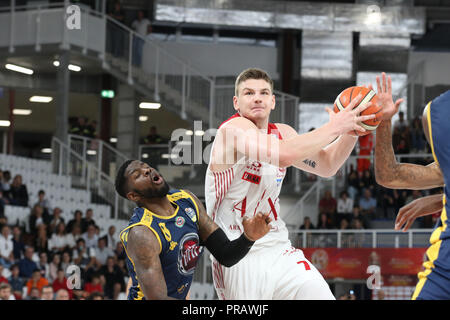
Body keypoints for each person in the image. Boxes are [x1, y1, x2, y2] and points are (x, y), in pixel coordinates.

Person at [204, 68, 375, 299]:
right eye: (248, 93)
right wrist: (335, 126)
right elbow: (283, 155)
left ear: (273, 101)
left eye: (264, 93)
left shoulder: (283, 133)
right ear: (236, 102)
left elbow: (327, 165)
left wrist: (352, 130)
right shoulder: (232, 130)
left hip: (278, 247)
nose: (257, 97)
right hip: (238, 252)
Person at [114, 159, 272, 300]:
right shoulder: (142, 232)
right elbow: (157, 298)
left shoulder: (186, 200)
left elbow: (225, 254)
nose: (147, 170)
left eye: (146, 166)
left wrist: (249, 238)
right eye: (138, 175)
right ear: (133, 196)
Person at [373, 72, 447, 300]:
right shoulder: (438, 113)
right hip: (445, 268)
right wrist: (383, 121)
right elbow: (389, 175)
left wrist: (437, 201)